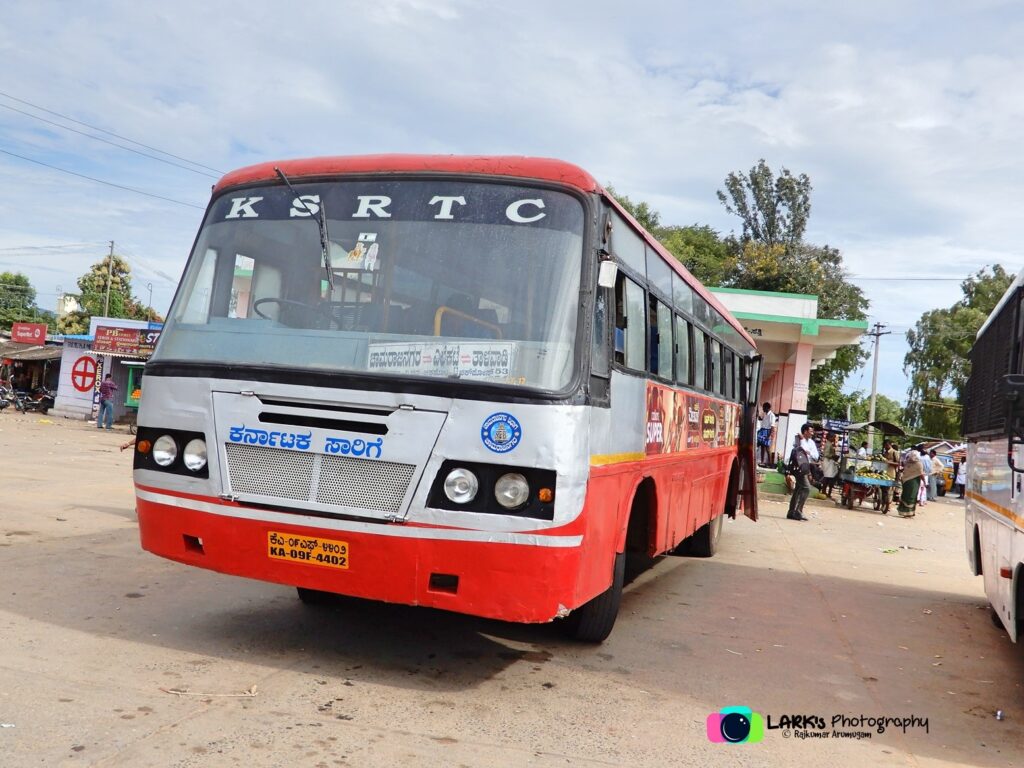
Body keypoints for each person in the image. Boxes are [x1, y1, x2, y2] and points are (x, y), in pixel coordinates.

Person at [787, 423, 819, 522]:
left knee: (798, 489)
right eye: (810, 431)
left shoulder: (812, 442)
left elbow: (816, 456)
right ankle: (798, 511)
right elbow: (801, 451)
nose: (812, 433)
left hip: (806, 467)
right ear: (805, 431)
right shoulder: (798, 440)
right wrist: (803, 444)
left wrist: (808, 452)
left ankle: (791, 512)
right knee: (806, 488)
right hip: (798, 467)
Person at [898, 450, 925, 517]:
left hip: (905, 481)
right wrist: (925, 482)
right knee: (911, 497)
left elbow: (904, 470)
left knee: (905, 496)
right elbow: (921, 474)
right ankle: (909, 513)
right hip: (914, 482)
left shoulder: (907, 462)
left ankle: (903, 511)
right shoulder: (919, 464)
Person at [879, 439, 900, 514]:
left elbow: (898, 463)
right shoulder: (884, 452)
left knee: (889, 490)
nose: (885, 446)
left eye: (887, 445)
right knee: (883, 489)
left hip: (891, 473)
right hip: (883, 473)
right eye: (885, 445)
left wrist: (888, 462)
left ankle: (888, 505)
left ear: (890, 445)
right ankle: (883, 503)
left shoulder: (894, 452)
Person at [820, 433, 839, 498]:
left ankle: (825, 491)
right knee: (828, 477)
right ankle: (824, 491)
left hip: (829, 462)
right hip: (828, 462)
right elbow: (826, 454)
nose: (834, 439)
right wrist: (833, 456)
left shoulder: (829, 444)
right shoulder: (828, 444)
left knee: (828, 477)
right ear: (830, 437)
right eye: (833, 437)